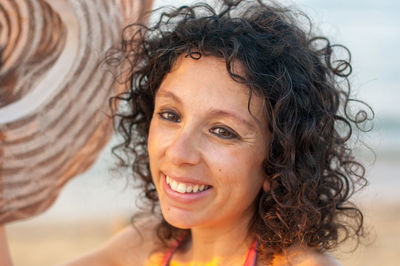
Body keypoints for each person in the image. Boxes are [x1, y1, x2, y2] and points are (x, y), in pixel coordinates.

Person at [63, 0, 373, 265]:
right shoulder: (145, 247)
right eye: (170, 115)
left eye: (222, 131)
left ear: (278, 160)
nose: (178, 152)